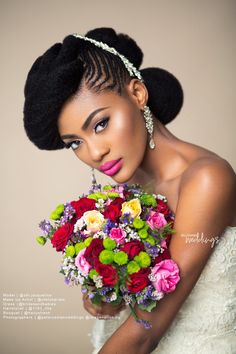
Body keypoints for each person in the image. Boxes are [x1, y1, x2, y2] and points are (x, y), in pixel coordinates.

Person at [23, 27, 236, 354]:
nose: (93, 153)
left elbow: (144, 333)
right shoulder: (133, 190)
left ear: (137, 94)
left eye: (100, 123)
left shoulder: (207, 180)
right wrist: (106, 293)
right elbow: (137, 299)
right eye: (75, 143)